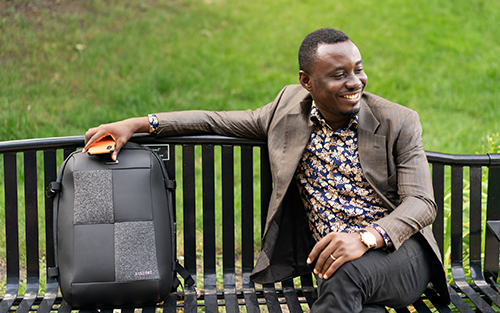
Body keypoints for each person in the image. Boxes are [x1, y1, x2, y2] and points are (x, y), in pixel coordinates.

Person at [84, 28, 450, 312]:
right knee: (348, 291)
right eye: (339, 75)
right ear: (307, 82)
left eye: (358, 69)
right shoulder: (287, 110)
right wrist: (137, 123)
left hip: (399, 252)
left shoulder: (398, 121)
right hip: (333, 266)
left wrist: (366, 237)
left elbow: (421, 202)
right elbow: (215, 119)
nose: (354, 82)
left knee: (344, 275)